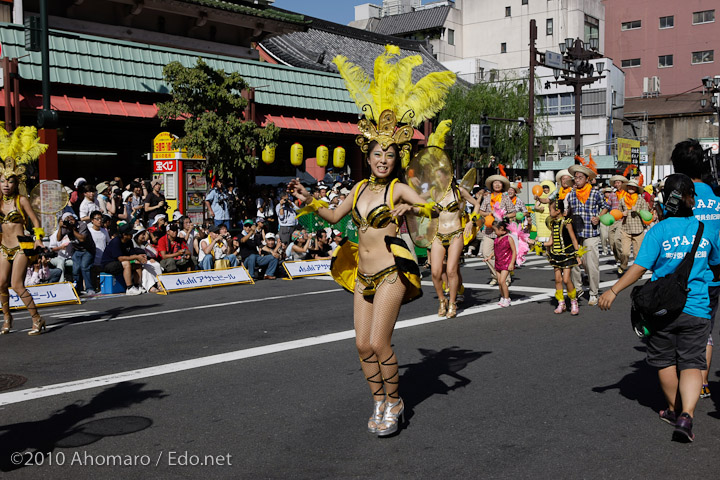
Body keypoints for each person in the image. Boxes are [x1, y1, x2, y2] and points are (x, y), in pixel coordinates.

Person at [599, 174, 720, 443]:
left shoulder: (657, 231)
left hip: (662, 309)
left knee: (665, 361)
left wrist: (613, 290)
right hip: (697, 306)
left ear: (665, 200)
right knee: (691, 362)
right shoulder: (707, 229)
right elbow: (716, 261)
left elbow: (639, 267)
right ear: (691, 198)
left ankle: (673, 411)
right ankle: (687, 415)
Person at [671, 139, 720, 399]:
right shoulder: (716, 195)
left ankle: (681, 380)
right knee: (705, 329)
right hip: (711, 275)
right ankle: (701, 382)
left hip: (677, 275)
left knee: (675, 328)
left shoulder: (674, 197)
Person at [0, 147, 47, 335]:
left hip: (21, 246)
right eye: (3, 181)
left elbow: (35, 221)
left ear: (16, 183)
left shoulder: (22, 200)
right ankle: (7, 318)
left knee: (17, 284)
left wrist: (38, 239)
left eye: (10, 181)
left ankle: (37, 319)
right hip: (4, 246)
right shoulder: (0, 202)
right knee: (1, 283)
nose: (6, 185)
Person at [430, 167, 480, 318]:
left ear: (449, 176)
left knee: (451, 270)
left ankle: (452, 302)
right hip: (438, 235)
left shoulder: (459, 192)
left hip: (456, 233)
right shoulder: (433, 193)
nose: (439, 181)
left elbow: (476, 204)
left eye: (442, 177)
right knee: (435, 272)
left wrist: (472, 221)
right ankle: (441, 300)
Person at [564, 164, 608, 306]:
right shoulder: (571, 194)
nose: (577, 180)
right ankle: (578, 288)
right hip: (576, 235)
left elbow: (606, 206)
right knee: (575, 263)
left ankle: (593, 293)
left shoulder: (595, 193)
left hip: (591, 233)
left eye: (580, 177)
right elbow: (567, 211)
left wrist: (599, 217)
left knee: (591, 264)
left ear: (587, 179)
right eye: (575, 177)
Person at [540, 196, 582, 315]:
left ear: (558, 211)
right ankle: (561, 302)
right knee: (558, 280)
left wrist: (577, 255)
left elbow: (574, 239)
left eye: (550, 209)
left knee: (566, 279)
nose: (549, 212)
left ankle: (573, 301)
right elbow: (551, 241)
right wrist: (536, 243)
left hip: (567, 254)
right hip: (555, 254)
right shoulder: (553, 223)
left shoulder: (567, 222)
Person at [479, 174, 516, 286]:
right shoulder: (487, 198)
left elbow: (513, 212)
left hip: (502, 231)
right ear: (491, 185)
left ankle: (506, 279)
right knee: (486, 254)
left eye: (499, 183)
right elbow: (481, 211)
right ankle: (496, 275)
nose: (497, 184)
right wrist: (490, 214)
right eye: (495, 182)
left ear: (503, 185)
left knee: (502, 256)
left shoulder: (505, 198)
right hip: (489, 231)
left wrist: (504, 217)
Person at [101, 222, 146, 295]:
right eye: (130, 233)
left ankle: (138, 286)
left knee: (137, 265)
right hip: (108, 264)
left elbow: (132, 254)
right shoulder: (116, 242)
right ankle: (129, 288)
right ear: (124, 235)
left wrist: (139, 257)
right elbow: (120, 258)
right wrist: (135, 257)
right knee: (126, 263)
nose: (132, 235)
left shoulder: (129, 241)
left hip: (119, 263)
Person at [617, 179, 651, 275]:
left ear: (636, 188)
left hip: (638, 230)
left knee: (637, 255)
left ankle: (637, 273)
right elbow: (618, 214)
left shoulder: (641, 200)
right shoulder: (622, 200)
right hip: (625, 229)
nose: (631, 188)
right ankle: (623, 265)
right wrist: (621, 214)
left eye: (633, 186)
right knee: (625, 252)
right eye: (629, 186)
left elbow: (647, 215)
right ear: (627, 187)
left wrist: (638, 211)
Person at [58, 212, 96, 295]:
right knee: (75, 269)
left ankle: (89, 288)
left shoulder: (82, 225)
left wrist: (72, 229)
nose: (70, 221)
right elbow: (58, 238)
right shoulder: (66, 227)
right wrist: (60, 227)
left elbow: (82, 239)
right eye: (67, 220)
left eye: (71, 218)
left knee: (85, 267)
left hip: (88, 249)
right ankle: (78, 289)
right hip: (77, 250)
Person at [488, 220, 516, 307]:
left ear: (501, 229)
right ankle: (503, 297)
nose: (494, 232)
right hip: (498, 262)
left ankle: (507, 298)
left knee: (503, 281)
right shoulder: (496, 239)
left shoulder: (509, 238)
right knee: (499, 282)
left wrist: (512, 263)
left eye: (495, 230)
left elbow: (514, 251)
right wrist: (490, 256)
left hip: (506, 262)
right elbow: (496, 250)